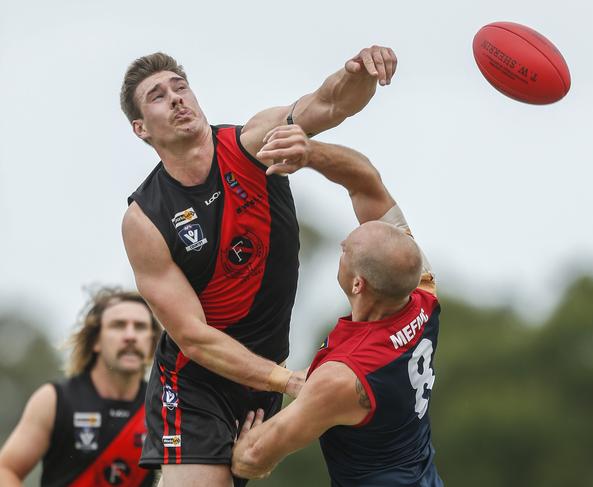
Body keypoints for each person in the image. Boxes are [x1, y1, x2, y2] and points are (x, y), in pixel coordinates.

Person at [119, 46, 398, 486]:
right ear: (141, 129)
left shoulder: (253, 142)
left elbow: (329, 103)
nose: (176, 98)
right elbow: (192, 337)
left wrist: (361, 72)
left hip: (264, 376)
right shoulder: (145, 219)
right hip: (196, 382)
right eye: (158, 95)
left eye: (181, 86)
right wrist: (287, 381)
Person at [230, 134, 443, 486]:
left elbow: (251, 459)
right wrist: (308, 152)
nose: (343, 243)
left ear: (358, 284)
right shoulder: (422, 293)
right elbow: (366, 181)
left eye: (346, 249)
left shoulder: (343, 378)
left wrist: (240, 445)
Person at [0, 287, 162, 487]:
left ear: (152, 341)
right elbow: (6, 470)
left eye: (140, 327)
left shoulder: (163, 405)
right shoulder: (54, 400)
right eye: (118, 326)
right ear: (95, 341)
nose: (130, 335)